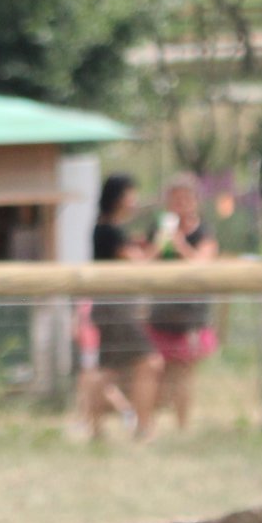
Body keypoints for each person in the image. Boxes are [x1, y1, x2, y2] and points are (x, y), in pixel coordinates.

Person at [75, 174, 156, 442]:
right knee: (149, 362)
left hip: (108, 308)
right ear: (119, 197)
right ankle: (141, 428)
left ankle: (92, 426)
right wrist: (163, 242)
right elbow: (139, 264)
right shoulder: (109, 230)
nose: (135, 201)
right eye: (131, 194)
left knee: (107, 371)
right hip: (115, 309)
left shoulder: (106, 229)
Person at [145, 175, 224, 433]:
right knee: (159, 373)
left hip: (191, 317)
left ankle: (182, 425)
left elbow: (203, 261)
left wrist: (180, 246)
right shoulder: (158, 231)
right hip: (161, 314)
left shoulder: (204, 232)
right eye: (174, 199)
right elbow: (144, 262)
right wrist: (161, 243)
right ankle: (150, 423)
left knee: (184, 373)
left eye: (185, 198)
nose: (180, 204)